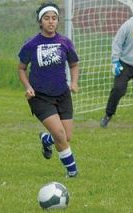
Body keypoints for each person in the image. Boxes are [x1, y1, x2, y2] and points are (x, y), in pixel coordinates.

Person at [18, 2, 79, 178]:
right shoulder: (31, 44)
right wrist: (28, 87)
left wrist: (74, 83)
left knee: (66, 137)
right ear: (40, 22)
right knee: (59, 134)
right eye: (46, 18)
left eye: (54, 18)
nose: (51, 22)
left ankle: (46, 139)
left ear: (58, 21)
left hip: (63, 94)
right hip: (40, 97)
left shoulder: (65, 42)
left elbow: (74, 64)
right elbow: (21, 68)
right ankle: (72, 172)